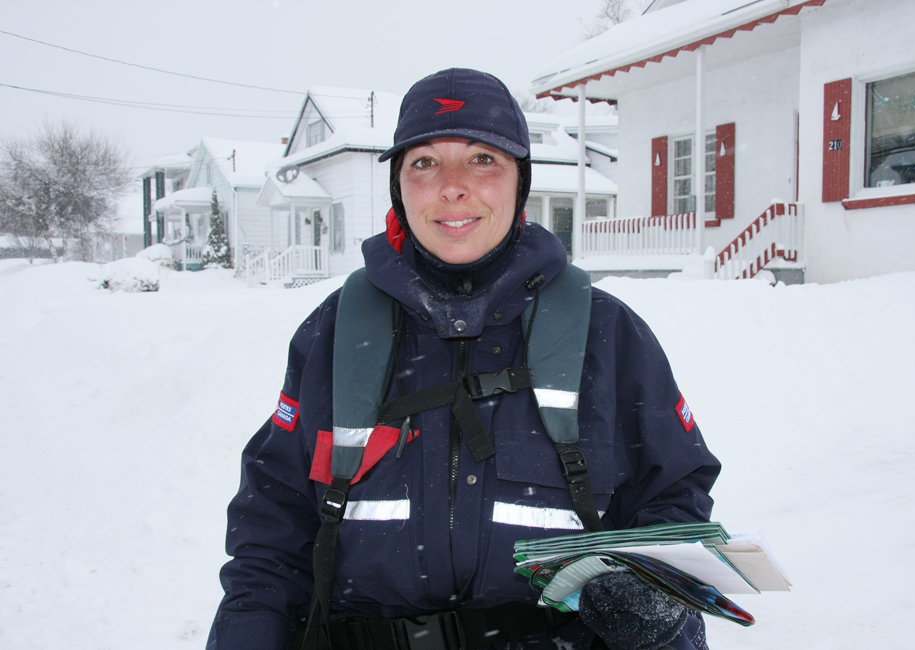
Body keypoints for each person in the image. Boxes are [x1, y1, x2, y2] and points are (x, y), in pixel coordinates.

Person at [207, 68, 721, 650]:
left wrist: (652, 591)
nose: (453, 187)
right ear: (399, 186)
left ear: (520, 181)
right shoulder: (338, 331)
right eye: (425, 162)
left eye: (482, 159)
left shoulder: (605, 332)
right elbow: (271, 537)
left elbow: (673, 495)